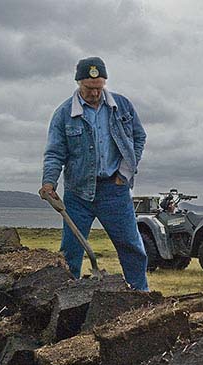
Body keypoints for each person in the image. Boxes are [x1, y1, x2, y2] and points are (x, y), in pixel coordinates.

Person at [40, 57, 149, 290]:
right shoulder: (64, 114)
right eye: (89, 88)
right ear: (79, 83)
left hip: (115, 190)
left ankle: (141, 296)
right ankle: (68, 297)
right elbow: (54, 153)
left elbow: (139, 138)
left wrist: (125, 172)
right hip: (78, 193)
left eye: (100, 87)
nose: (95, 93)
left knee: (132, 247)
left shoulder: (122, 106)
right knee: (70, 251)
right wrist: (49, 182)